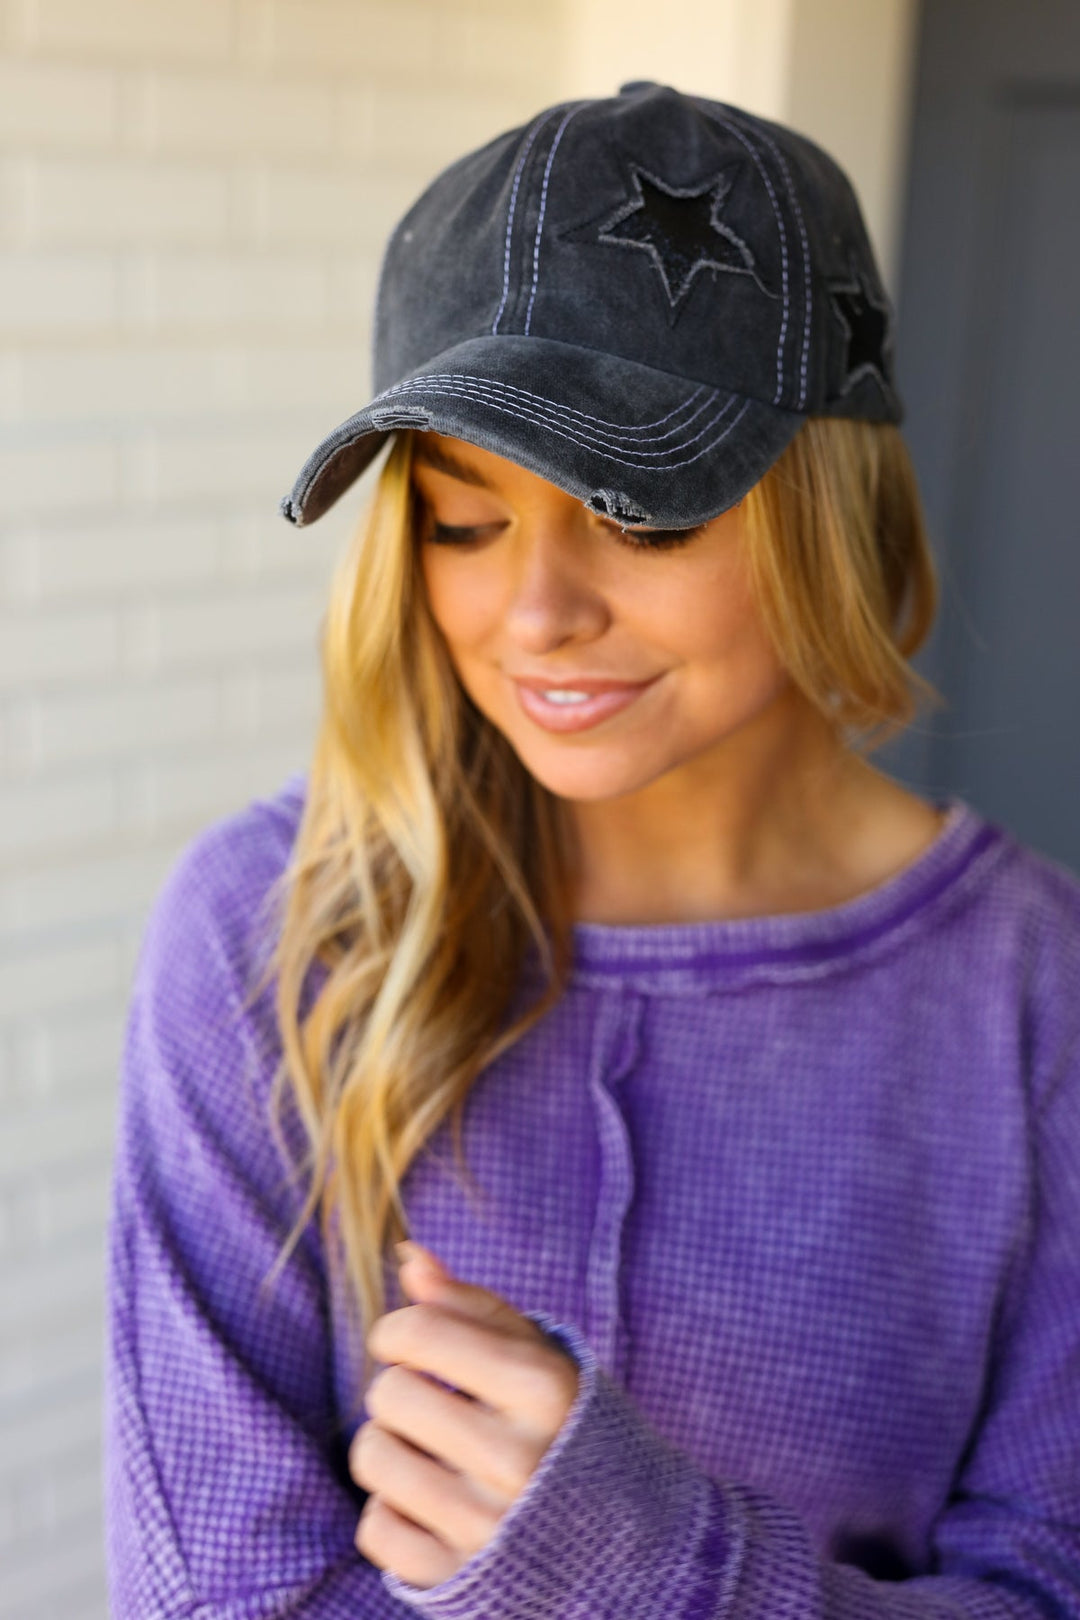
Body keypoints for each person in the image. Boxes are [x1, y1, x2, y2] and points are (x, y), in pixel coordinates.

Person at [103, 82, 1080, 1618]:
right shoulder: (272, 933)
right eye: (463, 523)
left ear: (826, 501)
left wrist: (651, 1570)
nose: (537, 615)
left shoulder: (1037, 987)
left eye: (640, 516)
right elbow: (218, 1594)